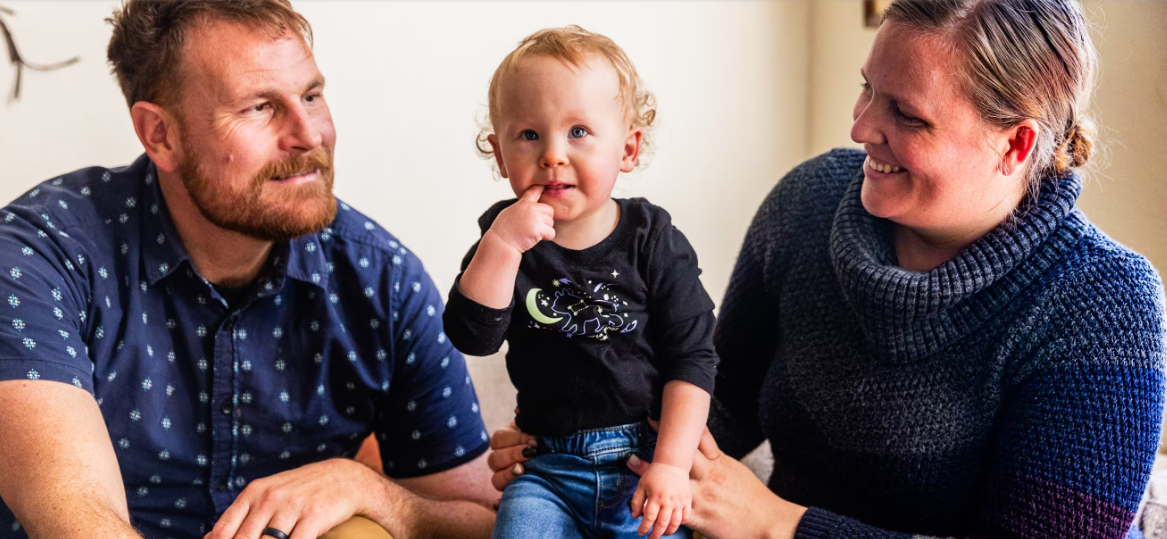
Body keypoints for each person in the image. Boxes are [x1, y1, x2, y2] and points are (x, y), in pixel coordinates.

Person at [487, 1, 1167, 538]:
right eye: (867, 88)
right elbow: (721, 399)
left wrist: (783, 524)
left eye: (906, 114)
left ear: (1013, 143)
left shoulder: (1104, 304)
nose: (860, 126)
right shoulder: (808, 204)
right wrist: (583, 441)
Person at [0, 1, 497, 538]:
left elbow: (478, 521)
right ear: (160, 134)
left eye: (311, 95)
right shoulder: (40, 256)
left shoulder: (383, 280)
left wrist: (376, 494)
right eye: (259, 107)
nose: (308, 134)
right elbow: (75, 524)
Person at [442, 26, 717, 539]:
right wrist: (502, 247)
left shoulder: (651, 238)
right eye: (529, 135)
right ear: (500, 155)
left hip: (641, 464)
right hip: (544, 469)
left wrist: (674, 467)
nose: (552, 154)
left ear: (628, 150)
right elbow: (471, 336)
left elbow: (694, 358)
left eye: (578, 132)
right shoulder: (502, 236)